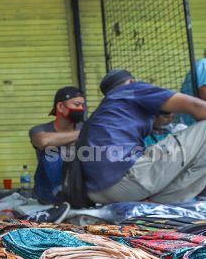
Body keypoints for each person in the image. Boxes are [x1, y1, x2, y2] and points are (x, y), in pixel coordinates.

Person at [84, 69, 206, 204]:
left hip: (98, 192)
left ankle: (157, 204)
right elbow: (197, 106)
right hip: (126, 180)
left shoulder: (103, 110)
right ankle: (163, 202)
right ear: (132, 81)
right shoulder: (132, 89)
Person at [29, 86, 85, 204]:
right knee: (51, 151)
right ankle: (61, 193)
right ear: (60, 107)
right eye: (76, 104)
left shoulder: (84, 127)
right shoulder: (40, 129)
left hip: (78, 185)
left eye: (82, 105)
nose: (81, 109)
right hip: (48, 190)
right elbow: (43, 141)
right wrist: (84, 134)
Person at [178, 56, 206, 125]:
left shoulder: (201, 64)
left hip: (189, 120)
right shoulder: (204, 63)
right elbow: (204, 93)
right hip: (197, 123)